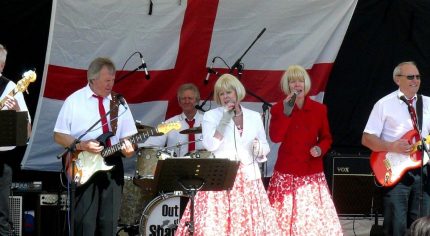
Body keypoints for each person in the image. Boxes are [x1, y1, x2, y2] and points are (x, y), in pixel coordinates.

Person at [175, 73, 280, 235]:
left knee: (247, 225)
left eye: (228, 92)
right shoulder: (211, 116)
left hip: (248, 178)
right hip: (221, 175)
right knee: (217, 226)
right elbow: (210, 145)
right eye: (221, 94)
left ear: (237, 92)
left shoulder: (253, 116)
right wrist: (224, 121)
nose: (225, 96)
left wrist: (259, 148)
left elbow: (265, 146)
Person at [53, 57, 137, 235]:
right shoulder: (74, 101)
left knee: (109, 223)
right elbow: (59, 135)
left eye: (113, 80)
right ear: (92, 79)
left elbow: (129, 137)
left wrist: (129, 150)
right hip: (84, 164)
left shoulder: (119, 102)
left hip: (113, 164)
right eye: (107, 80)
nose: (111, 84)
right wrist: (81, 145)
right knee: (85, 224)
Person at [267, 65, 342, 235]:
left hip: (311, 172)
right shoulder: (278, 108)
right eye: (292, 81)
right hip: (286, 172)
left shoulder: (319, 109)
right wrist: (287, 112)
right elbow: (276, 137)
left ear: (305, 83)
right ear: (287, 85)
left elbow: (327, 138)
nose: (296, 84)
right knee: (284, 220)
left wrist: (319, 148)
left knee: (312, 220)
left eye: (300, 80)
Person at [362, 61, 430, 236]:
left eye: (418, 77)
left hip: (423, 172)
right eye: (410, 77)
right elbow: (366, 138)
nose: (415, 80)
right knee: (395, 225)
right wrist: (391, 146)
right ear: (397, 79)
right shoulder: (384, 104)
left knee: (422, 226)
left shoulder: (428, 103)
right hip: (395, 172)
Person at [0, 43, 31, 236]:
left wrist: (17, 112)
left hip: (2, 161)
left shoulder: (11, 87)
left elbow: (26, 132)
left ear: (1, 66)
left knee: (2, 217)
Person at [143, 83, 204, 157]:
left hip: (203, 166)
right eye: (183, 98)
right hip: (177, 166)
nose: (187, 101)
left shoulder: (208, 121)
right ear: (179, 102)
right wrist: (136, 146)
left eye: (190, 98)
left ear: (197, 101)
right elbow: (151, 144)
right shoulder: (169, 123)